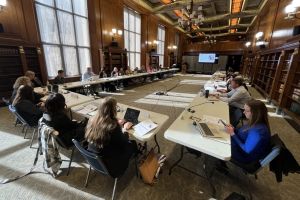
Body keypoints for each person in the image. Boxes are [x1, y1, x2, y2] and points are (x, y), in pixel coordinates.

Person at [85, 97, 138, 178]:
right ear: (113, 110)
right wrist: (124, 130)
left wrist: (115, 121)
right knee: (133, 144)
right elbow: (123, 142)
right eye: (116, 107)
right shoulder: (113, 127)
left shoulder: (92, 119)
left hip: (95, 158)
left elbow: (105, 128)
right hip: (111, 165)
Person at [226, 99, 271, 168]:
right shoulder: (254, 121)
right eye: (244, 109)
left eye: (247, 111)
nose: (243, 112)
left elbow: (246, 150)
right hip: (240, 146)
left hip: (243, 156)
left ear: (256, 113)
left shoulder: (258, 131)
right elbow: (243, 133)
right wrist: (233, 130)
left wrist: (232, 134)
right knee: (222, 136)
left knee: (220, 142)